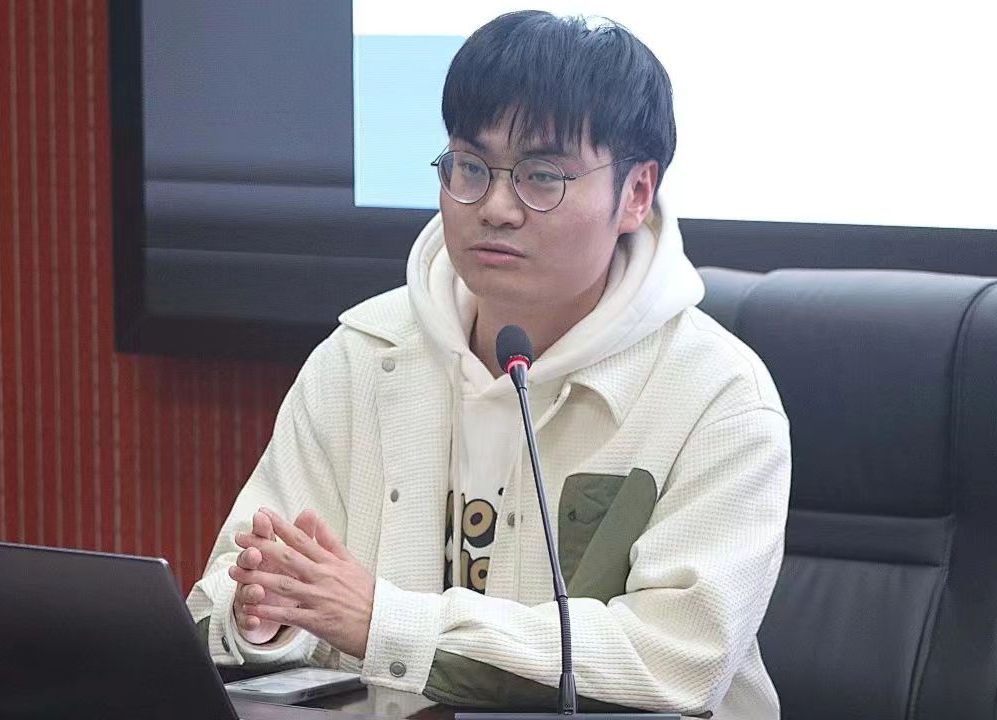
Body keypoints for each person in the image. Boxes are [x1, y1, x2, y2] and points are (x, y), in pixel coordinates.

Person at [188, 10, 790, 720]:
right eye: (471, 168)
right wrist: (268, 617)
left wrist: (383, 622)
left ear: (635, 194)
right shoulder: (363, 355)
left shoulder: (720, 397)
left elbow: (676, 659)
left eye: (542, 177)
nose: (496, 207)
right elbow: (221, 598)